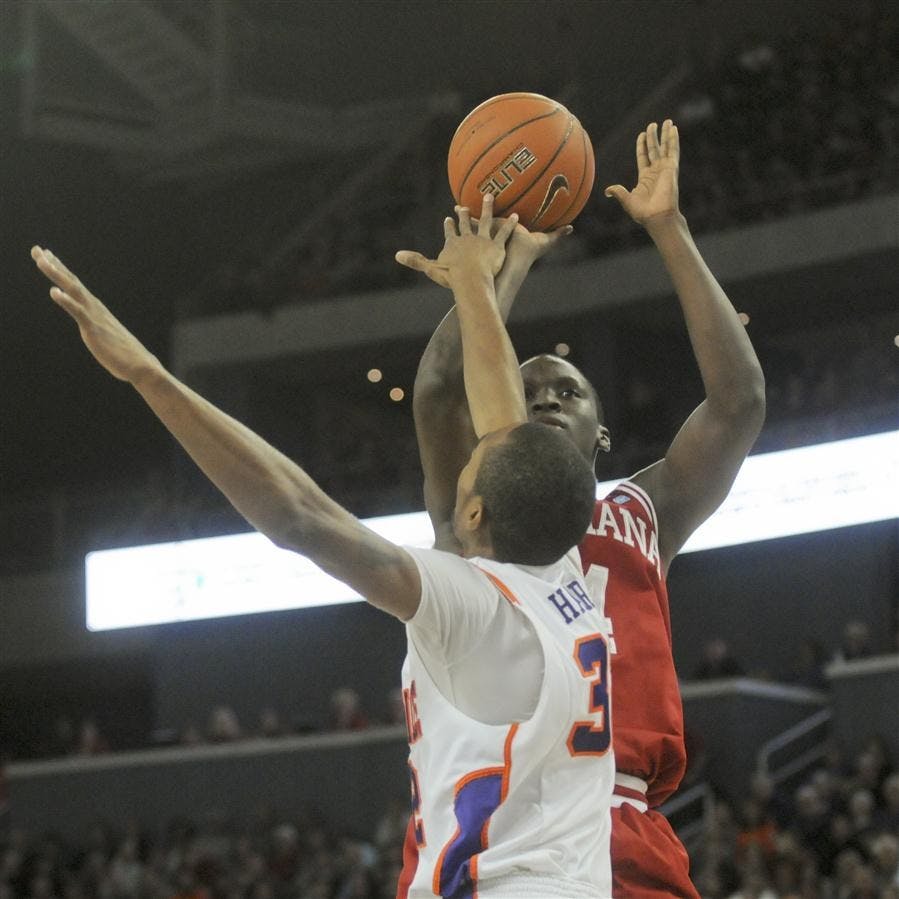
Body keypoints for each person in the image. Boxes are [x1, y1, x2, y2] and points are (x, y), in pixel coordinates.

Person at [31, 195, 616, 899]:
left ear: (475, 507)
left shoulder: (470, 602)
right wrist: (487, 277)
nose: (459, 462)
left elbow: (299, 514)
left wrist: (149, 376)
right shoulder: (567, 572)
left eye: (465, 471)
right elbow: (498, 424)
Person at [398, 119, 766, 897]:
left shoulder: (643, 508)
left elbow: (737, 403)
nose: (545, 401)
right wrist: (495, 271)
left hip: (623, 820)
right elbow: (435, 391)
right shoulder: (473, 507)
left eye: (567, 391)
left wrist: (667, 227)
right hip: (501, 817)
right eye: (527, 393)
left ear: (601, 433)